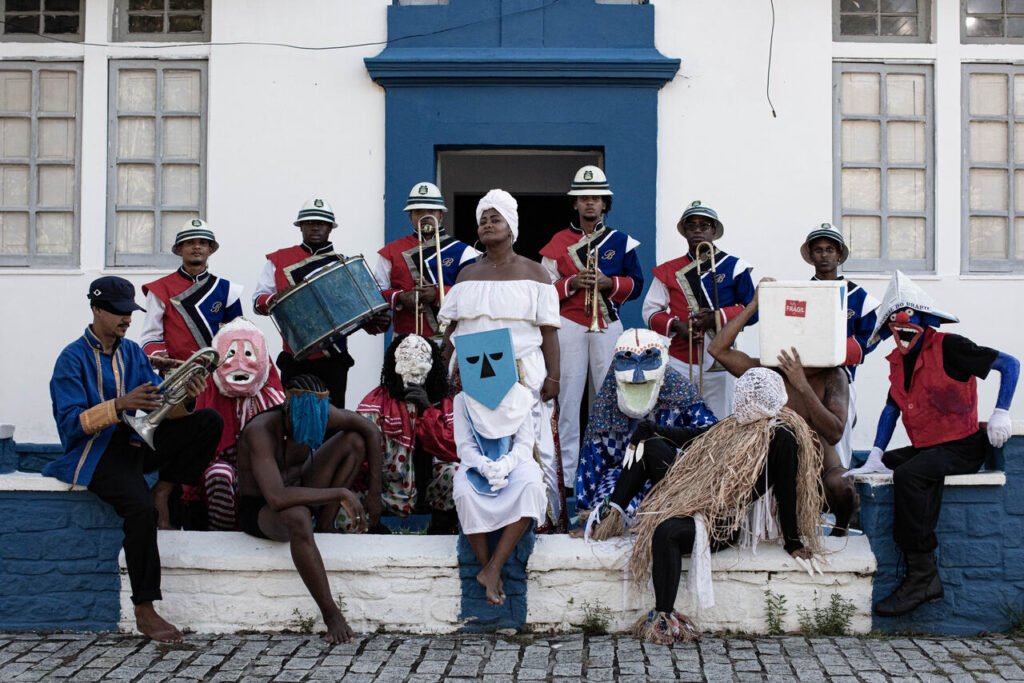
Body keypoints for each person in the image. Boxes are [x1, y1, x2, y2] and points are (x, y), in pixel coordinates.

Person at [46, 276, 223, 642]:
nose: (127, 319)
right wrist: (119, 405)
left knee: (208, 421)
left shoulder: (132, 353)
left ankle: (165, 489)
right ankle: (145, 608)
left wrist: (187, 397)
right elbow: (71, 424)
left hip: (136, 441)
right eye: (119, 312)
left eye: (130, 312)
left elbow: (160, 406)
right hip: (96, 453)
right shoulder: (71, 358)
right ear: (96, 310)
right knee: (140, 511)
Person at [846, 271, 1019, 617]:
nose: (901, 324)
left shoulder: (950, 346)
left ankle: (923, 576)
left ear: (924, 320)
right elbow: (891, 409)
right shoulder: (898, 362)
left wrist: (1001, 411)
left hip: (962, 445)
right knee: (879, 466)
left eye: (908, 316)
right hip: (929, 445)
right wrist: (876, 454)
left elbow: (1009, 364)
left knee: (910, 475)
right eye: (895, 320)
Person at [627, 368, 827, 644]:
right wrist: (654, 430)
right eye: (742, 394)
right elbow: (695, 437)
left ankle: (664, 616)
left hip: (723, 524)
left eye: (748, 394)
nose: (742, 399)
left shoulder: (781, 435)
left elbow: (786, 489)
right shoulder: (735, 425)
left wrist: (793, 541)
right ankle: (609, 516)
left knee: (666, 532)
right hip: (696, 503)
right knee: (650, 446)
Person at [438, 188, 564, 529]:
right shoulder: (466, 275)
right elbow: (451, 330)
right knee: (478, 443)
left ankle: (536, 521)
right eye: (483, 220)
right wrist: (443, 372)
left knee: (530, 445)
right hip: (472, 373)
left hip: (524, 373)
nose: (488, 224)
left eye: (496, 219)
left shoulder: (536, 274)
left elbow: (549, 332)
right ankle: (480, 520)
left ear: (511, 227)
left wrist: (554, 377)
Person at [236, 374, 385, 643]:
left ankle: (326, 525)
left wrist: (375, 493)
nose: (316, 424)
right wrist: (340, 493)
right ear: (289, 409)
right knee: (299, 517)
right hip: (263, 507)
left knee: (354, 440)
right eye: (307, 419)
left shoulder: (321, 412)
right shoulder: (260, 431)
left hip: (302, 488)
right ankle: (331, 615)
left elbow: (370, 430)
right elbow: (277, 497)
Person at [708, 279, 855, 535]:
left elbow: (834, 433)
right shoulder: (771, 370)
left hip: (820, 473)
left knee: (841, 484)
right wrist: (754, 305)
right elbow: (718, 350)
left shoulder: (833, 374)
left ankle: (840, 532)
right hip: (778, 470)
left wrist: (802, 385)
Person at [539, 166, 644, 490]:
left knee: (611, 399)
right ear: (575, 203)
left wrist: (608, 282)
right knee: (568, 401)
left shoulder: (621, 241)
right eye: (584, 197)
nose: (589, 203)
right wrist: (572, 283)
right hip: (569, 324)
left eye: (596, 197)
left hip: (607, 323)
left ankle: (609, 473)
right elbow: (543, 291)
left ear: (604, 203)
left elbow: (637, 285)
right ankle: (566, 478)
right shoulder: (558, 241)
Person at [574, 328, 716, 535]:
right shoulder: (606, 406)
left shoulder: (683, 396)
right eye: (628, 361)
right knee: (608, 515)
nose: (638, 374)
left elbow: (709, 437)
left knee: (661, 516)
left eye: (648, 360)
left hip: (671, 475)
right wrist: (586, 513)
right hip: (621, 479)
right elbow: (594, 461)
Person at [253, 197, 390, 407]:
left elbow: (361, 314)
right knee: (293, 418)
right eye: (309, 223)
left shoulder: (344, 265)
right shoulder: (278, 260)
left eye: (321, 223)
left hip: (334, 358)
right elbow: (258, 301)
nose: (315, 227)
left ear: (330, 228)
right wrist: (275, 299)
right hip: (296, 357)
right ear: (300, 226)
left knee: (333, 419)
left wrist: (377, 321)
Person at [450, 328, 547, 606]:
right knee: (464, 493)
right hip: (477, 464)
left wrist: (505, 465)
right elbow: (464, 446)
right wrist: (483, 466)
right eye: (474, 361)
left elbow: (524, 444)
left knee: (531, 486)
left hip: (514, 465)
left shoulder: (521, 396)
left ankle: (494, 567)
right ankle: (486, 567)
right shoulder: (462, 401)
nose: (485, 368)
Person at [643, 201, 755, 419]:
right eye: (691, 225)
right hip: (679, 359)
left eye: (704, 226)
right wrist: (677, 325)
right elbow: (650, 312)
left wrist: (717, 318)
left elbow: (752, 311)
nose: (697, 230)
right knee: (676, 421)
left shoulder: (734, 266)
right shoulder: (669, 269)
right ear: (684, 231)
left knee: (720, 422)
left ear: (714, 230)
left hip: (722, 361)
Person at [356, 334, 459, 533]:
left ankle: (440, 529)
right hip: (389, 487)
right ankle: (375, 530)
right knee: (347, 508)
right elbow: (359, 452)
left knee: (458, 474)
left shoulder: (444, 403)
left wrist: (428, 410)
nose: (413, 372)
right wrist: (372, 478)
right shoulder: (376, 403)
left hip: (431, 488)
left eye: (420, 365)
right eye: (406, 363)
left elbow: (454, 449)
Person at [193, 318, 286, 530]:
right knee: (219, 475)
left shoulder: (275, 401)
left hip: (263, 471)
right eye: (230, 354)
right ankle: (222, 531)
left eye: (249, 354)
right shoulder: (207, 396)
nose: (240, 364)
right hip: (226, 470)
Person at [800, 222, 880, 467]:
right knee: (805, 441)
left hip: (843, 379)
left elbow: (871, 338)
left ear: (839, 255)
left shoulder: (858, 296)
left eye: (830, 250)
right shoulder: (800, 292)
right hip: (806, 379)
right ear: (811, 256)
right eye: (818, 250)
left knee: (840, 443)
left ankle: (840, 487)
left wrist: (833, 351)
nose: (824, 255)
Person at [373, 182, 479, 337]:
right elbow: (376, 293)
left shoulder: (464, 252)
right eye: (418, 212)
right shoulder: (390, 251)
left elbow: (474, 294)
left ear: (441, 215)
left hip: (450, 338)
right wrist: (400, 297)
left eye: (431, 211)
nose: (425, 217)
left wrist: (437, 294)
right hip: (405, 338)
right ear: (410, 216)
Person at [140, 219, 244, 370]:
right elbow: (150, 336)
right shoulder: (160, 289)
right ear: (180, 249)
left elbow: (237, 336)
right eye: (190, 242)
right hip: (176, 373)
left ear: (210, 249)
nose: (197, 247)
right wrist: (160, 356)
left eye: (203, 243)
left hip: (217, 373)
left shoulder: (228, 289)